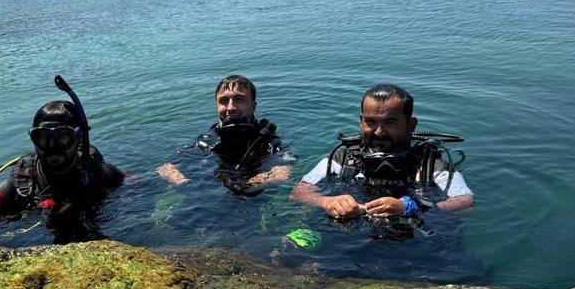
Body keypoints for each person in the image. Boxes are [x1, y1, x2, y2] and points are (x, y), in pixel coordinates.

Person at [290, 83, 473, 219]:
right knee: (288, 247)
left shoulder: (429, 164)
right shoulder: (343, 156)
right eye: (371, 122)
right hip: (348, 235)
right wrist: (327, 202)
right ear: (361, 121)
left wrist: (412, 207)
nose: (379, 132)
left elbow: (465, 201)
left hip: (413, 239)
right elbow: (298, 192)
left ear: (411, 125)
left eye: (390, 123)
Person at [0, 99, 124, 232]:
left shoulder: (98, 172)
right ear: (34, 139)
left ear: (79, 138)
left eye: (63, 137)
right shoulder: (23, 178)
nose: (53, 147)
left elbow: (131, 183)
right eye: (43, 138)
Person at [157, 75, 290, 192]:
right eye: (224, 101)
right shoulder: (207, 140)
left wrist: (250, 184)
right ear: (217, 105)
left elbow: (282, 173)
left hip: (249, 197)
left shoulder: (267, 141)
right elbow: (166, 167)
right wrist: (184, 183)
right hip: (206, 195)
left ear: (253, 105)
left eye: (239, 99)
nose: (231, 107)